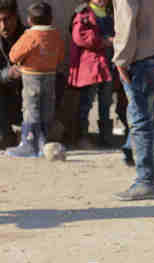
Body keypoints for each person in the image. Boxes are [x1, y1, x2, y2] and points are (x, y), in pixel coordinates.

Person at [112, 0, 154, 200]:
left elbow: (126, 22)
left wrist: (121, 59)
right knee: (150, 116)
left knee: (139, 120)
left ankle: (146, 181)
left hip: (140, 60)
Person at [5, 1, 64, 158]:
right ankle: (44, 143)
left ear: (29, 20)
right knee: (46, 107)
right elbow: (60, 56)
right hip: (50, 76)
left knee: (31, 108)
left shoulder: (30, 35)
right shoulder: (56, 35)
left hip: (31, 77)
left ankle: (29, 144)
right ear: (51, 19)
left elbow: (13, 55)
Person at [69, 0, 115, 148]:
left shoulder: (110, 12)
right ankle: (83, 137)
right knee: (86, 102)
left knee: (106, 102)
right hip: (91, 66)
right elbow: (79, 36)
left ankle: (106, 138)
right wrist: (103, 41)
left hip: (107, 65)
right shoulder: (83, 12)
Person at [0, 0, 24, 150]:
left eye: (6, 19)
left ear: (15, 17)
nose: (3, 25)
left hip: (26, 98)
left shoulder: (30, 37)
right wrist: (7, 74)